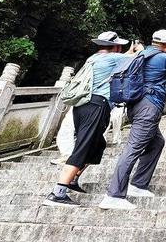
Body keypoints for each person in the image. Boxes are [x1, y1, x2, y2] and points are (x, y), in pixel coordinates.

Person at [43, 31, 138, 207]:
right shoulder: (113, 58)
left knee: (97, 145)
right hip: (96, 105)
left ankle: (73, 178)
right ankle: (58, 192)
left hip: (82, 105)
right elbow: (136, 58)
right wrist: (136, 49)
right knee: (83, 146)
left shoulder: (94, 58)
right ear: (115, 46)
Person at [98, 30, 166, 210]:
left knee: (157, 143)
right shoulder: (164, 58)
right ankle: (114, 194)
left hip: (134, 104)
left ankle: (138, 184)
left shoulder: (140, 53)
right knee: (132, 149)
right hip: (149, 107)